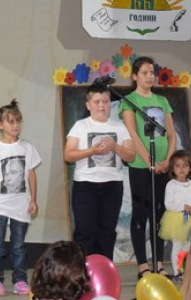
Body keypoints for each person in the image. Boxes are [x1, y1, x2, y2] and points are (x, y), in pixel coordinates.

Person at [119, 56, 177, 278]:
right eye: (144, 72)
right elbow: (133, 134)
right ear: (135, 76)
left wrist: (167, 160)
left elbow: (171, 135)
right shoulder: (129, 101)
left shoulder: (162, 101)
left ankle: (159, 264)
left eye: (152, 72)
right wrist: (148, 161)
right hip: (141, 166)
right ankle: (143, 265)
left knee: (159, 215)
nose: (150, 76)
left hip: (162, 166)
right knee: (140, 214)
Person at [63, 84, 135, 259]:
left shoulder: (120, 127)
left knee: (107, 231)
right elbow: (68, 155)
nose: (102, 105)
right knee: (84, 231)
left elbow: (131, 156)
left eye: (106, 101)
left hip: (112, 186)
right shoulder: (80, 126)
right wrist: (91, 151)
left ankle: (104, 269)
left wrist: (115, 146)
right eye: (97, 102)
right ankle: (84, 269)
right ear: (88, 105)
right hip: (85, 185)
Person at [0, 99, 41, 296]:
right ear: (0, 125)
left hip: (21, 204)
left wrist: (33, 200)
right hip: (0, 204)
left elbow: (31, 174)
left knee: (18, 246)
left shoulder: (27, 147)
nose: (16, 125)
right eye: (11, 122)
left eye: (18, 121)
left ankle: (20, 280)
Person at [160, 150, 191, 278]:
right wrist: (183, 207)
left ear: (190, 168)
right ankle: (177, 271)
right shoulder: (171, 185)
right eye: (178, 166)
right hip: (177, 218)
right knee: (177, 245)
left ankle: (185, 271)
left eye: (185, 165)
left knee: (188, 246)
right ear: (173, 169)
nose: (181, 169)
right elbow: (168, 204)